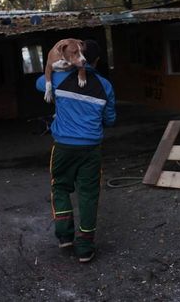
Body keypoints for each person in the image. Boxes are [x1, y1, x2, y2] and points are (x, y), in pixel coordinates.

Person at [36, 39, 116, 263]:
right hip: (91, 148)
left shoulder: (59, 78)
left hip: (63, 147)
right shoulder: (105, 86)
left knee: (60, 187)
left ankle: (64, 235)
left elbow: (39, 83)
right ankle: (85, 247)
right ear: (96, 61)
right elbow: (110, 119)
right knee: (89, 195)